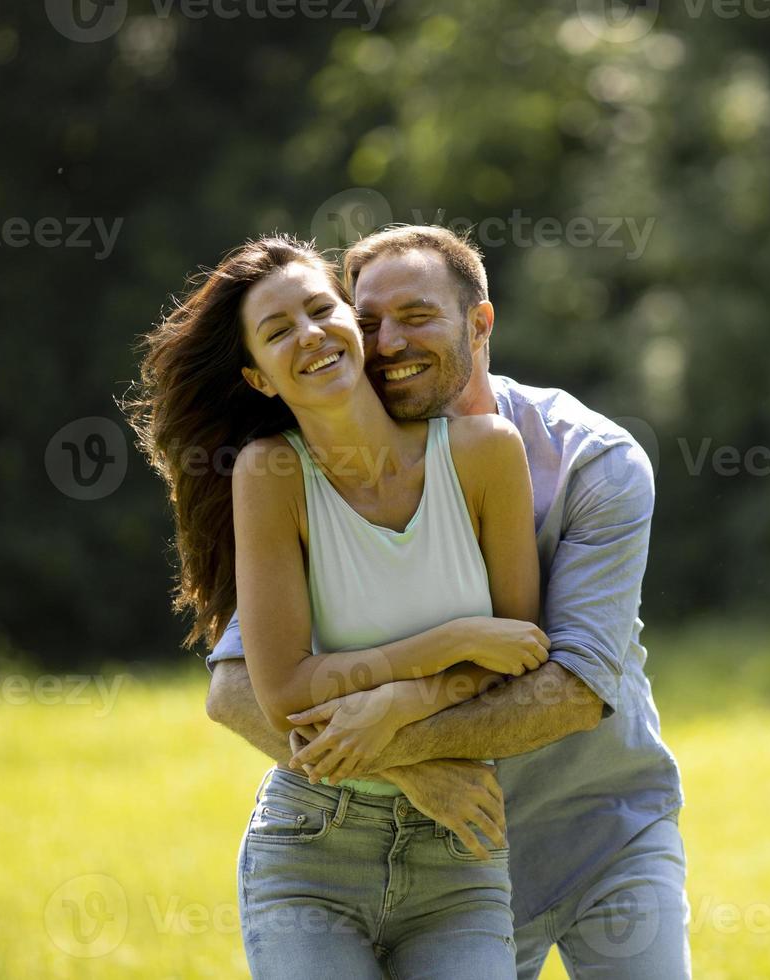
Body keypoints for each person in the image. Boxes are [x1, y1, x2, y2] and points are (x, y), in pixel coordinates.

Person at [205, 225, 690, 978]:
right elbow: (244, 688)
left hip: (598, 825)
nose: (389, 341)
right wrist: (409, 768)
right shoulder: (325, 466)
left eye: (417, 316)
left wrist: (397, 723)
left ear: (479, 322)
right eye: (369, 321)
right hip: (456, 836)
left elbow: (570, 688)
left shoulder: (591, 461)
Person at [130, 233, 548, 978]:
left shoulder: (487, 453)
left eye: (322, 310)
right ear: (258, 378)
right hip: (313, 849)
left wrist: (401, 703)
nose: (310, 336)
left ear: (356, 324)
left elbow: (517, 653)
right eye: (277, 331)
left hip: (460, 856)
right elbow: (286, 689)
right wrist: (450, 641)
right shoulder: (271, 474)